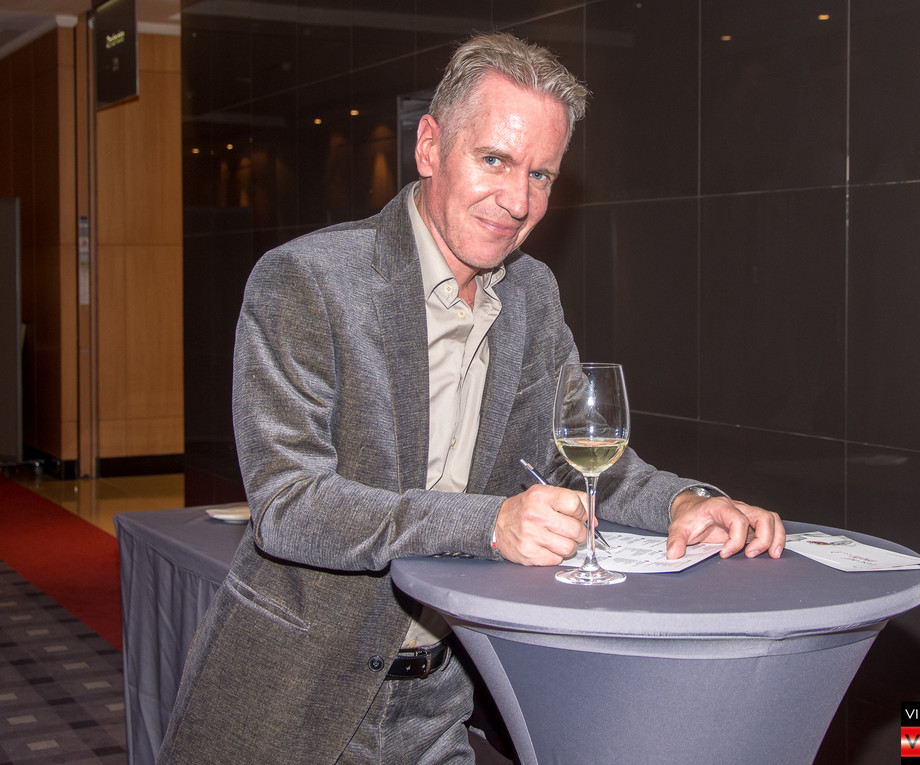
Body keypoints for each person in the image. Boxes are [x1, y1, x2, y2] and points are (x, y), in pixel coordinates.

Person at [159, 31, 785, 764]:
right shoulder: (307, 281)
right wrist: (491, 524)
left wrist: (684, 503)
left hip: (437, 702)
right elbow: (289, 506)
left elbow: (580, 460)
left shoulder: (531, 295)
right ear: (429, 147)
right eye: (495, 160)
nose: (518, 200)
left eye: (541, 174)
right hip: (292, 703)